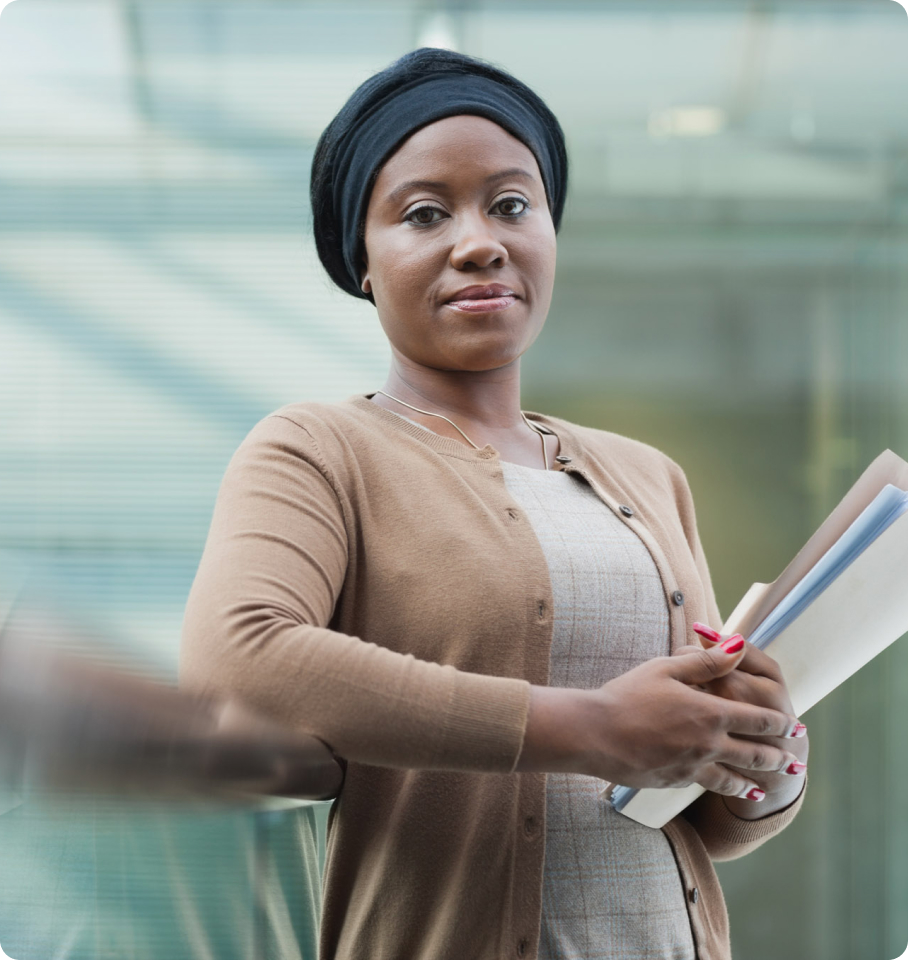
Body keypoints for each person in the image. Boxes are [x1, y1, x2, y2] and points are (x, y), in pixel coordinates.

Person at [180, 48, 808, 960]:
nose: (482, 241)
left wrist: (761, 759)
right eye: (424, 214)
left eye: (513, 204)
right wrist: (589, 728)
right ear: (362, 259)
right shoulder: (319, 449)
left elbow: (696, 822)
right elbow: (235, 656)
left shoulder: (649, 474)